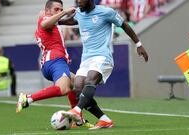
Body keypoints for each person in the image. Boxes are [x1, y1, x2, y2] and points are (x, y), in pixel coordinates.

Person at [59, 0, 148, 130]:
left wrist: (139, 45)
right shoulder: (79, 12)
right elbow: (73, 20)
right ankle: (104, 120)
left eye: (81, 0)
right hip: (86, 59)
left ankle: (77, 110)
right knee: (78, 88)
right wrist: (56, 21)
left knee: (90, 80)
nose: (78, 2)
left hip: (102, 56)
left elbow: (125, 25)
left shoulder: (106, 12)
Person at [15, 0, 93, 128]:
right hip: (54, 60)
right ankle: (28, 98)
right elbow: (46, 22)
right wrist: (65, 12)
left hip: (52, 62)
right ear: (47, 11)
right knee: (64, 88)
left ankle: (77, 119)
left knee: (76, 84)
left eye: (61, 9)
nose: (59, 11)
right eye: (56, 9)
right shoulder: (45, 20)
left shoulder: (50, 21)